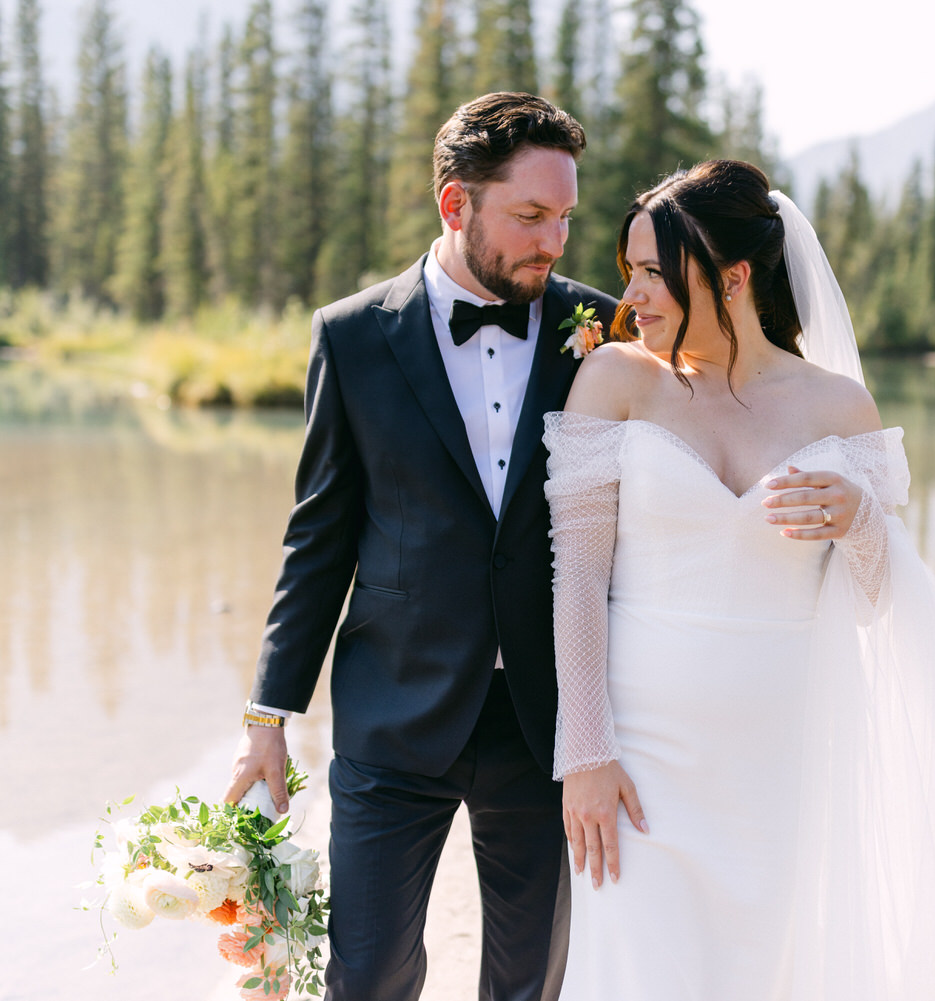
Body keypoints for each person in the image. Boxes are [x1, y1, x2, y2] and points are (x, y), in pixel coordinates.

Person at [542, 160, 935, 1000]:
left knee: (769, 970)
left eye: (654, 272)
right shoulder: (614, 381)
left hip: (782, 762)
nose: (631, 296)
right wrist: (585, 750)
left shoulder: (838, 408)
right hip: (639, 762)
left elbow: (881, 602)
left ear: (734, 276)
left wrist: (862, 521)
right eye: (629, 271)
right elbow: (575, 578)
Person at [222, 92, 618, 1001]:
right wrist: (268, 715)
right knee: (366, 978)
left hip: (545, 721)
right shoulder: (353, 335)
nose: (553, 241)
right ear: (455, 204)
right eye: (529, 216)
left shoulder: (598, 330)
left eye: (564, 216)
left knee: (531, 981)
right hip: (392, 717)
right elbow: (318, 535)